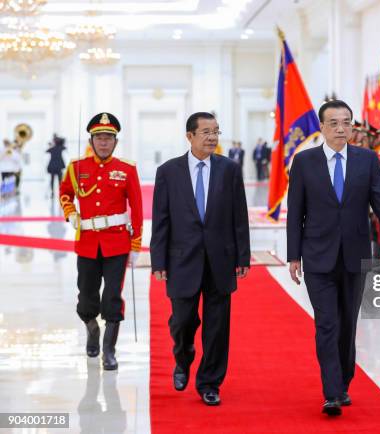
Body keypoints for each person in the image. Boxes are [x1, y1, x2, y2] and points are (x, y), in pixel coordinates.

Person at [286, 100, 380, 416]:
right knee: (326, 323)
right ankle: (332, 391)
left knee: (348, 323)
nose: (340, 128)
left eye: (346, 122)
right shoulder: (305, 162)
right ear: (322, 127)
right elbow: (295, 213)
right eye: (334, 122)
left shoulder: (367, 160)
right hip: (317, 256)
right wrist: (293, 255)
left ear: (353, 126)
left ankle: (343, 380)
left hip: (354, 255)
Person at [150, 112, 250, 406]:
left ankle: (209, 382)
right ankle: (183, 357)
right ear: (189, 136)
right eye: (205, 132)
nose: (212, 137)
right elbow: (161, 220)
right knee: (182, 321)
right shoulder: (168, 171)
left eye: (216, 132)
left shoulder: (229, 169)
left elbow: (239, 216)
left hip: (220, 258)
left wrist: (242, 255)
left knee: (218, 326)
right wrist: (159, 261)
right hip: (182, 259)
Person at [59, 112, 143, 371]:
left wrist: (136, 242)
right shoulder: (77, 167)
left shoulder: (127, 169)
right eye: (99, 138)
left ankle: (109, 350)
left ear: (115, 141)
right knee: (86, 297)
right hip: (87, 242)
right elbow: (65, 193)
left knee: (111, 297)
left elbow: (137, 207)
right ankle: (92, 328)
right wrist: (70, 213)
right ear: (91, 140)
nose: (103, 142)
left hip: (117, 243)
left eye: (108, 138)